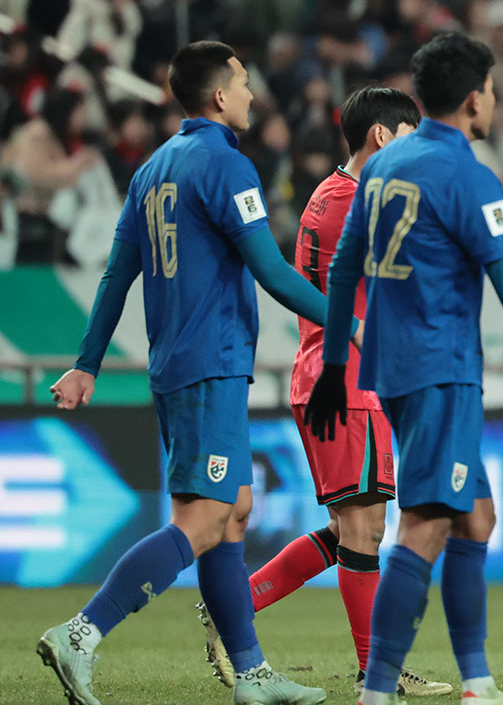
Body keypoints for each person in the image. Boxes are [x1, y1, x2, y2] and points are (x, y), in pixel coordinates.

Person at [201, 85, 503, 697]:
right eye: (410, 136)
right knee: (363, 534)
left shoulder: (342, 196)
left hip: (354, 381)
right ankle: (376, 671)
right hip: (344, 383)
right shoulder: (351, 203)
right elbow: (442, 263)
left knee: (348, 533)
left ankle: (234, 608)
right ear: (382, 137)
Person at [38, 41, 340, 705]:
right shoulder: (227, 166)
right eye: (244, 82)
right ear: (219, 97)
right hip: (213, 364)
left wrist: (87, 363)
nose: (254, 94)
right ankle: (81, 634)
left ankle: (253, 676)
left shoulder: (151, 170)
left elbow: (119, 273)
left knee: (230, 512)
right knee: (205, 522)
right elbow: (272, 271)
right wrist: (348, 323)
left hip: (174, 365)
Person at [304, 32, 503, 705]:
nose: (494, 100)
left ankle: (478, 682)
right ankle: (377, 688)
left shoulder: (383, 165)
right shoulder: (470, 175)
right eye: (492, 89)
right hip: (442, 366)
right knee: (426, 524)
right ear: (475, 98)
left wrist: (331, 365)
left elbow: (346, 263)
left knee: (476, 518)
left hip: (394, 365)